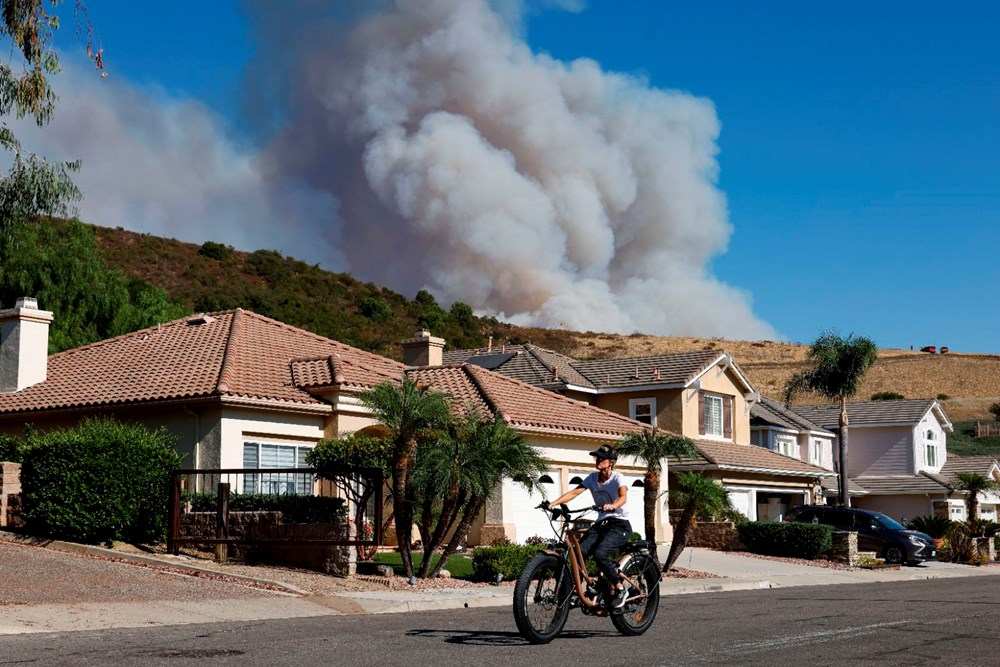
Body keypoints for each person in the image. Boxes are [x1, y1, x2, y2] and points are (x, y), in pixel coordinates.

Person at [542, 443, 631, 610]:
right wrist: (552, 504)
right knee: (578, 553)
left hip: (619, 525)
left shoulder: (618, 478)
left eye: (601, 458)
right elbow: (573, 493)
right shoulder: (592, 478)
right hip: (601, 524)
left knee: (600, 553)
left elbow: (623, 497)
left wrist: (612, 506)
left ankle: (619, 588)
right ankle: (575, 592)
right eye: (596, 457)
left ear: (610, 462)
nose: (597, 460)